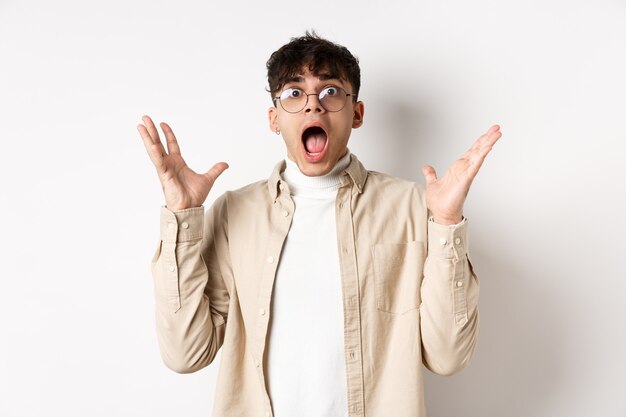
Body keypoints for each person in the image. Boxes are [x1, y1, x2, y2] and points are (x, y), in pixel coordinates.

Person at [138, 32, 501, 417]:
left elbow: (448, 357)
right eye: (294, 93)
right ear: (274, 118)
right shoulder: (234, 213)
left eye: (330, 91)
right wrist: (182, 218)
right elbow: (186, 354)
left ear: (356, 113)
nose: (313, 106)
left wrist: (445, 222)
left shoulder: (413, 207)